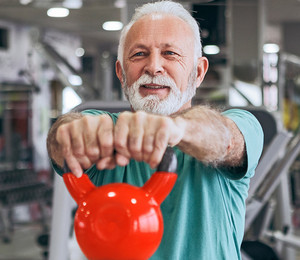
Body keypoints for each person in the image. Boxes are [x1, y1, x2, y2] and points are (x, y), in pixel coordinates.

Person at [47, 1, 264, 259]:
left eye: (170, 53)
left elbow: (225, 139)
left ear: (198, 71)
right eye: (139, 54)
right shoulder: (108, 129)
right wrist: (70, 133)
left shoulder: (241, 123)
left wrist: (174, 128)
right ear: (121, 72)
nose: (153, 67)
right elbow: (64, 137)